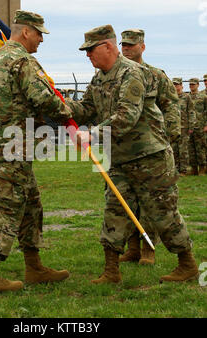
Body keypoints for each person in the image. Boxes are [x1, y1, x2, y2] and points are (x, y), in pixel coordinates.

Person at [67, 24, 198, 284]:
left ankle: (187, 264)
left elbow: (126, 117)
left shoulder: (132, 73)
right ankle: (111, 270)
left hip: (150, 158)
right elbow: (86, 109)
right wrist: (61, 104)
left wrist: (90, 134)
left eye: (91, 50)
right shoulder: (99, 78)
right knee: (114, 211)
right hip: (118, 158)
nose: (87, 55)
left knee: (163, 213)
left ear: (108, 47)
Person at [0, 10, 72, 293]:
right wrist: (68, 113)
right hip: (14, 145)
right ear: (26, 32)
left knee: (31, 204)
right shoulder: (22, 60)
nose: (41, 40)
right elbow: (43, 98)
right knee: (7, 206)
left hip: (1, 143)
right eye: (39, 33)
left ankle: (34, 266)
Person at [118, 28, 181, 265]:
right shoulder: (116, 75)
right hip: (122, 151)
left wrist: (169, 136)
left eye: (131, 45)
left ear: (142, 47)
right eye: (123, 45)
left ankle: (148, 249)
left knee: (150, 201)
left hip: (149, 150)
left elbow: (171, 105)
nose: (126, 49)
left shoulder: (154, 74)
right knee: (125, 201)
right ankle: (132, 248)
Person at [172, 77, 196, 176]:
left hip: (184, 128)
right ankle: (176, 170)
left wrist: (191, 126)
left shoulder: (186, 97)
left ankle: (184, 170)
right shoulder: (170, 97)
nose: (176, 87)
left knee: (183, 150)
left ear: (181, 86)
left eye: (177, 85)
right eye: (174, 85)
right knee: (174, 150)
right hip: (173, 128)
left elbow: (191, 112)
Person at [188, 78, 207, 175]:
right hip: (190, 127)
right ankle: (194, 168)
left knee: (201, 148)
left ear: (198, 85)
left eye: (193, 84)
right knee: (191, 148)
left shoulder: (203, 97)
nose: (191, 86)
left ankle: (202, 168)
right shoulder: (187, 97)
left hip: (200, 125)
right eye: (190, 84)